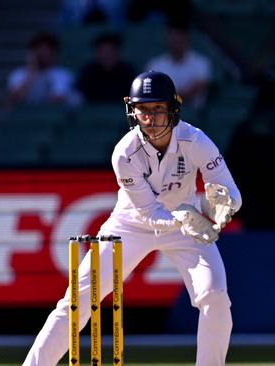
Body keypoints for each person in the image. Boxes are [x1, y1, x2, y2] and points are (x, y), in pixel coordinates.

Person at [24, 71, 241, 366]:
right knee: (76, 301)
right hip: (130, 224)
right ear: (132, 111)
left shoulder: (196, 140)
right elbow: (150, 213)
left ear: (173, 109)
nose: (150, 119)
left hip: (188, 225)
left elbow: (229, 190)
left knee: (215, 297)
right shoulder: (124, 153)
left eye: (158, 109)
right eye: (143, 110)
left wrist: (225, 208)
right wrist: (184, 219)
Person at [146, 20, 211, 112]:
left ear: (186, 37)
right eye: (172, 35)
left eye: (179, 35)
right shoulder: (155, 64)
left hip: (194, 115)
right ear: (167, 38)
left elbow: (195, 91)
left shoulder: (201, 63)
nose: (175, 40)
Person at [7, 31, 79, 107]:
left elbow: (57, 99)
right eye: (39, 49)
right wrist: (31, 72)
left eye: (48, 49)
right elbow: (13, 100)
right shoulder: (18, 74)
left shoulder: (63, 74)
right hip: (25, 117)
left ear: (54, 53)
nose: (43, 53)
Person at [76, 32, 136, 103]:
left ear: (117, 52)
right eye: (103, 52)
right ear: (97, 53)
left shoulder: (128, 72)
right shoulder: (88, 72)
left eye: (110, 51)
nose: (107, 55)